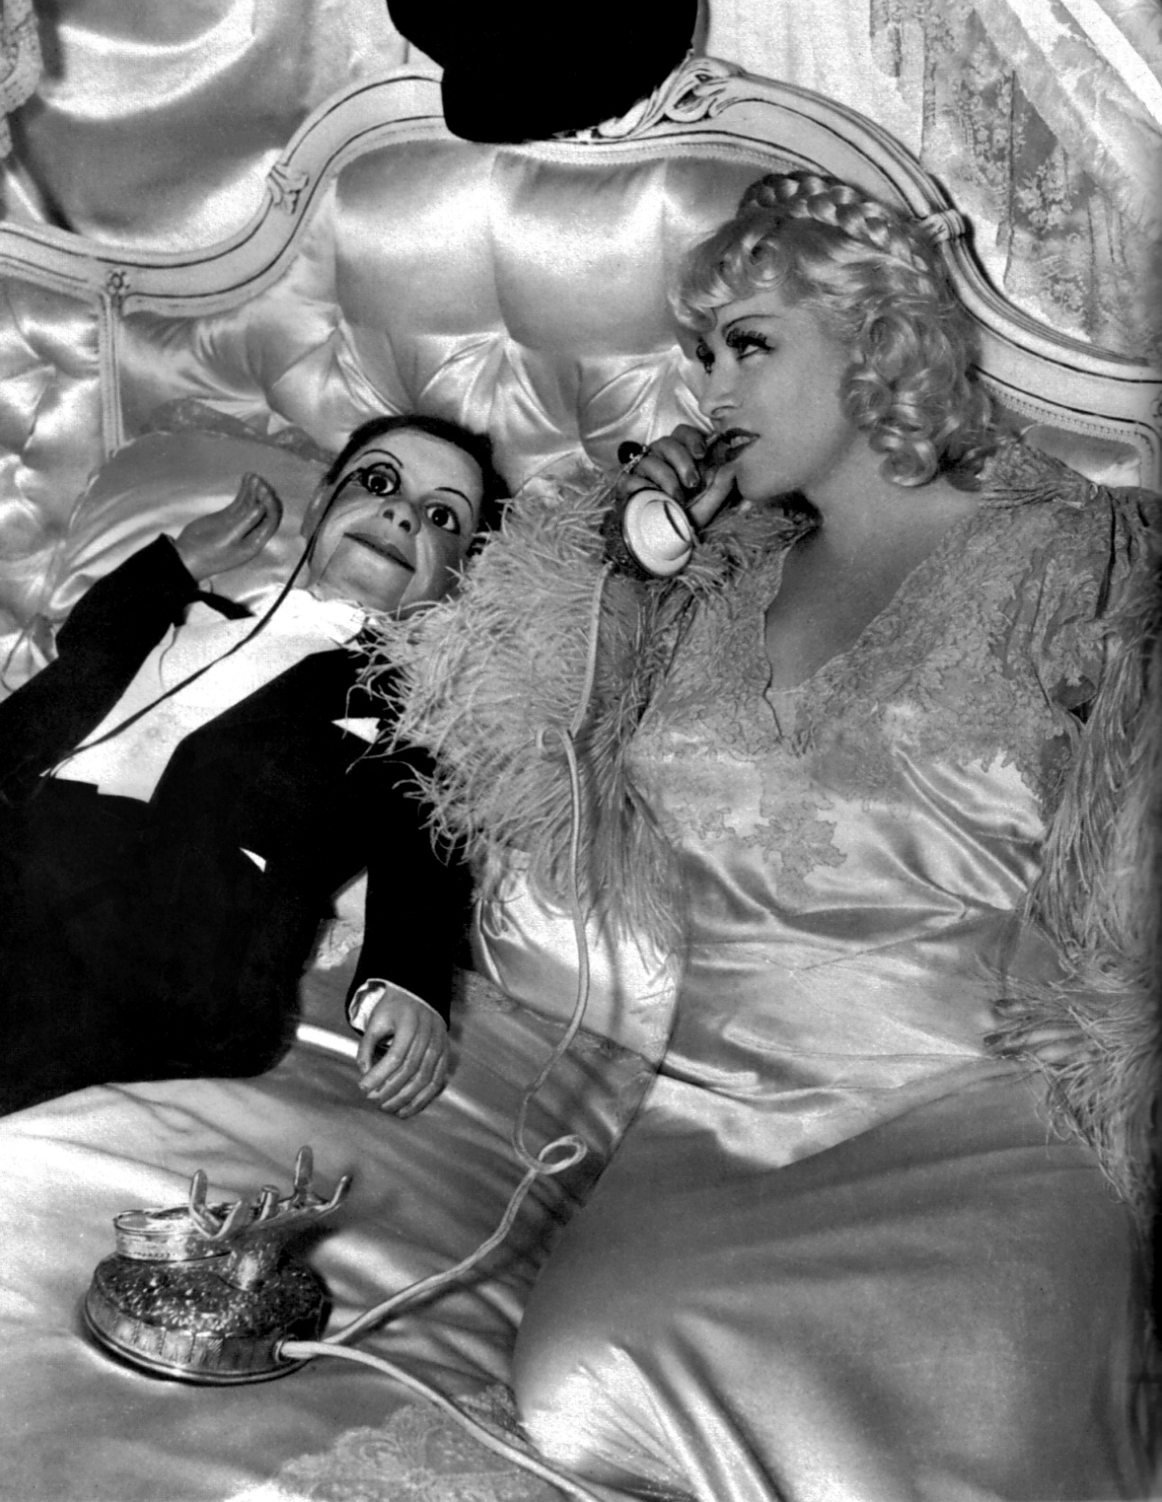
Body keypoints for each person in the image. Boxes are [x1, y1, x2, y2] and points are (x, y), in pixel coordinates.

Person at [376, 176, 1160, 1500]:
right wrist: (617, 568)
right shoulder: (705, 581)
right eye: (699, 355)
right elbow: (525, 774)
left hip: (991, 1128)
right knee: (582, 1385)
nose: (712, 388)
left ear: (874, 340)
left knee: (955, 1437)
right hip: (714, 1126)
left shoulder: (1084, 556)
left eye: (749, 343)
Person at [0, 413, 507, 1118]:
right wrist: (181, 561)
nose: (401, 513)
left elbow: (425, 846)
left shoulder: (402, 720)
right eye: (378, 481)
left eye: (442, 516)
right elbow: (88, 641)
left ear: (458, 578)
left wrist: (408, 985)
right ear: (319, 506)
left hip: (165, 934)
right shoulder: (192, 612)